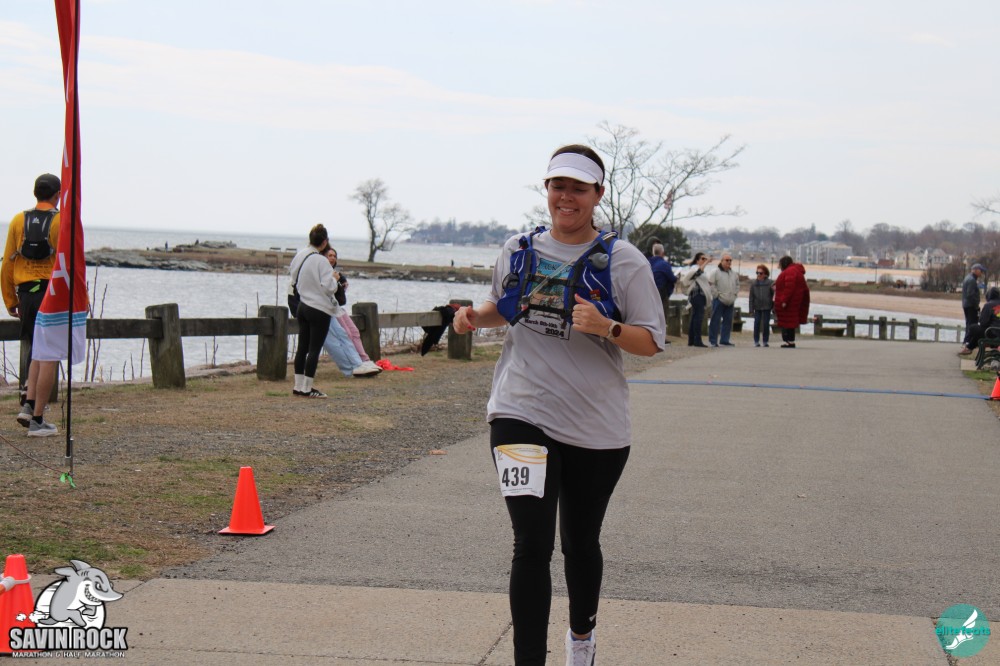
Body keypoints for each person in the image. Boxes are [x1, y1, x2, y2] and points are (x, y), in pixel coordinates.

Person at [452, 144, 664, 665]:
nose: (566, 197)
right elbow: (503, 307)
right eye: (558, 186)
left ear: (598, 194)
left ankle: (581, 640)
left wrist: (608, 327)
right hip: (520, 410)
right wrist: (474, 317)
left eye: (578, 188)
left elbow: (651, 341)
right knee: (531, 543)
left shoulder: (625, 261)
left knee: (580, 543)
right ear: (546, 190)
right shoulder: (518, 248)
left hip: (597, 427)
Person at [288, 224, 338, 398]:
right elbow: (328, 287)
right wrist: (334, 279)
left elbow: (293, 277)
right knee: (314, 349)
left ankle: (298, 385)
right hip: (318, 308)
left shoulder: (300, 255)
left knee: (302, 347)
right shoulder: (321, 261)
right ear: (324, 242)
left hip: (302, 305)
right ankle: (307, 388)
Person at [320, 247, 381, 377]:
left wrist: (341, 281)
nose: (332, 258)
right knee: (346, 334)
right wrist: (336, 280)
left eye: (334, 256)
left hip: (337, 308)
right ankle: (357, 363)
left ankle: (365, 360)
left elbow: (339, 295)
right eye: (329, 255)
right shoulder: (323, 274)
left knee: (354, 332)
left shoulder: (336, 274)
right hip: (330, 310)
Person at [773, 256, 810, 348]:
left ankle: (788, 341)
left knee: (787, 322)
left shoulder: (790, 271)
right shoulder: (795, 271)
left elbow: (789, 287)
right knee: (790, 322)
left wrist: (784, 300)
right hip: (795, 301)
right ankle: (790, 341)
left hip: (789, 303)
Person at [678, 252, 711, 347]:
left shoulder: (699, 269)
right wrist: (707, 262)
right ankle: (697, 340)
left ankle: (692, 340)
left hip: (699, 296)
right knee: (698, 318)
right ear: (697, 260)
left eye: (705, 259)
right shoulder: (694, 268)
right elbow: (697, 273)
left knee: (694, 317)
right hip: (697, 295)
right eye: (702, 259)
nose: (704, 260)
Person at [707, 253, 739, 347]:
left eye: (730, 260)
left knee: (728, 321)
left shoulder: (734, 274)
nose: (729, 262)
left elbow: (737, 285)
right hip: (719, 300)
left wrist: (734, 295)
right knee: (715, 320)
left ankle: (725, 340)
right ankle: (713, 340)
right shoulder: (715, 272)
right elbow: (711, 284)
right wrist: (716, 295)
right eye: (727, 260)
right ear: (721, 261)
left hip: (730, 301)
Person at [959, 286, 1000, 355]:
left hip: (993, 333)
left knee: (973, 328)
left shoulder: (988, 305)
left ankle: (969, 347)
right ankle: (969, 348)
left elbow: (983, 323)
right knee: (980, 332)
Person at [748, 264, 774, 347]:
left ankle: (765, 341)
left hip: (767, 306)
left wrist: (773, 307)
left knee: (766, 324)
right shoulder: (754, 284)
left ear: (765, 274)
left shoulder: (770, 283)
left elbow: (774, 296)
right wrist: (751, 310)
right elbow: (751, 298)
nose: (759, 275)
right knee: (757, 323)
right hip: (757, 306)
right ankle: (756, 341)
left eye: (761, 273)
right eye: (757, 273)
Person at [961, 263, 985, 349]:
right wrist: (976, 305)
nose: (981, 273)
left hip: (966, 304)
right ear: (976, 270)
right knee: (972, 324)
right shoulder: (972, 280)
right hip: (971, 305)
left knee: (968, 323)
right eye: (981, 271)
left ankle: (966, 341)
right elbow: (970, 294)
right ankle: (967, 342)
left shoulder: (967, 278)